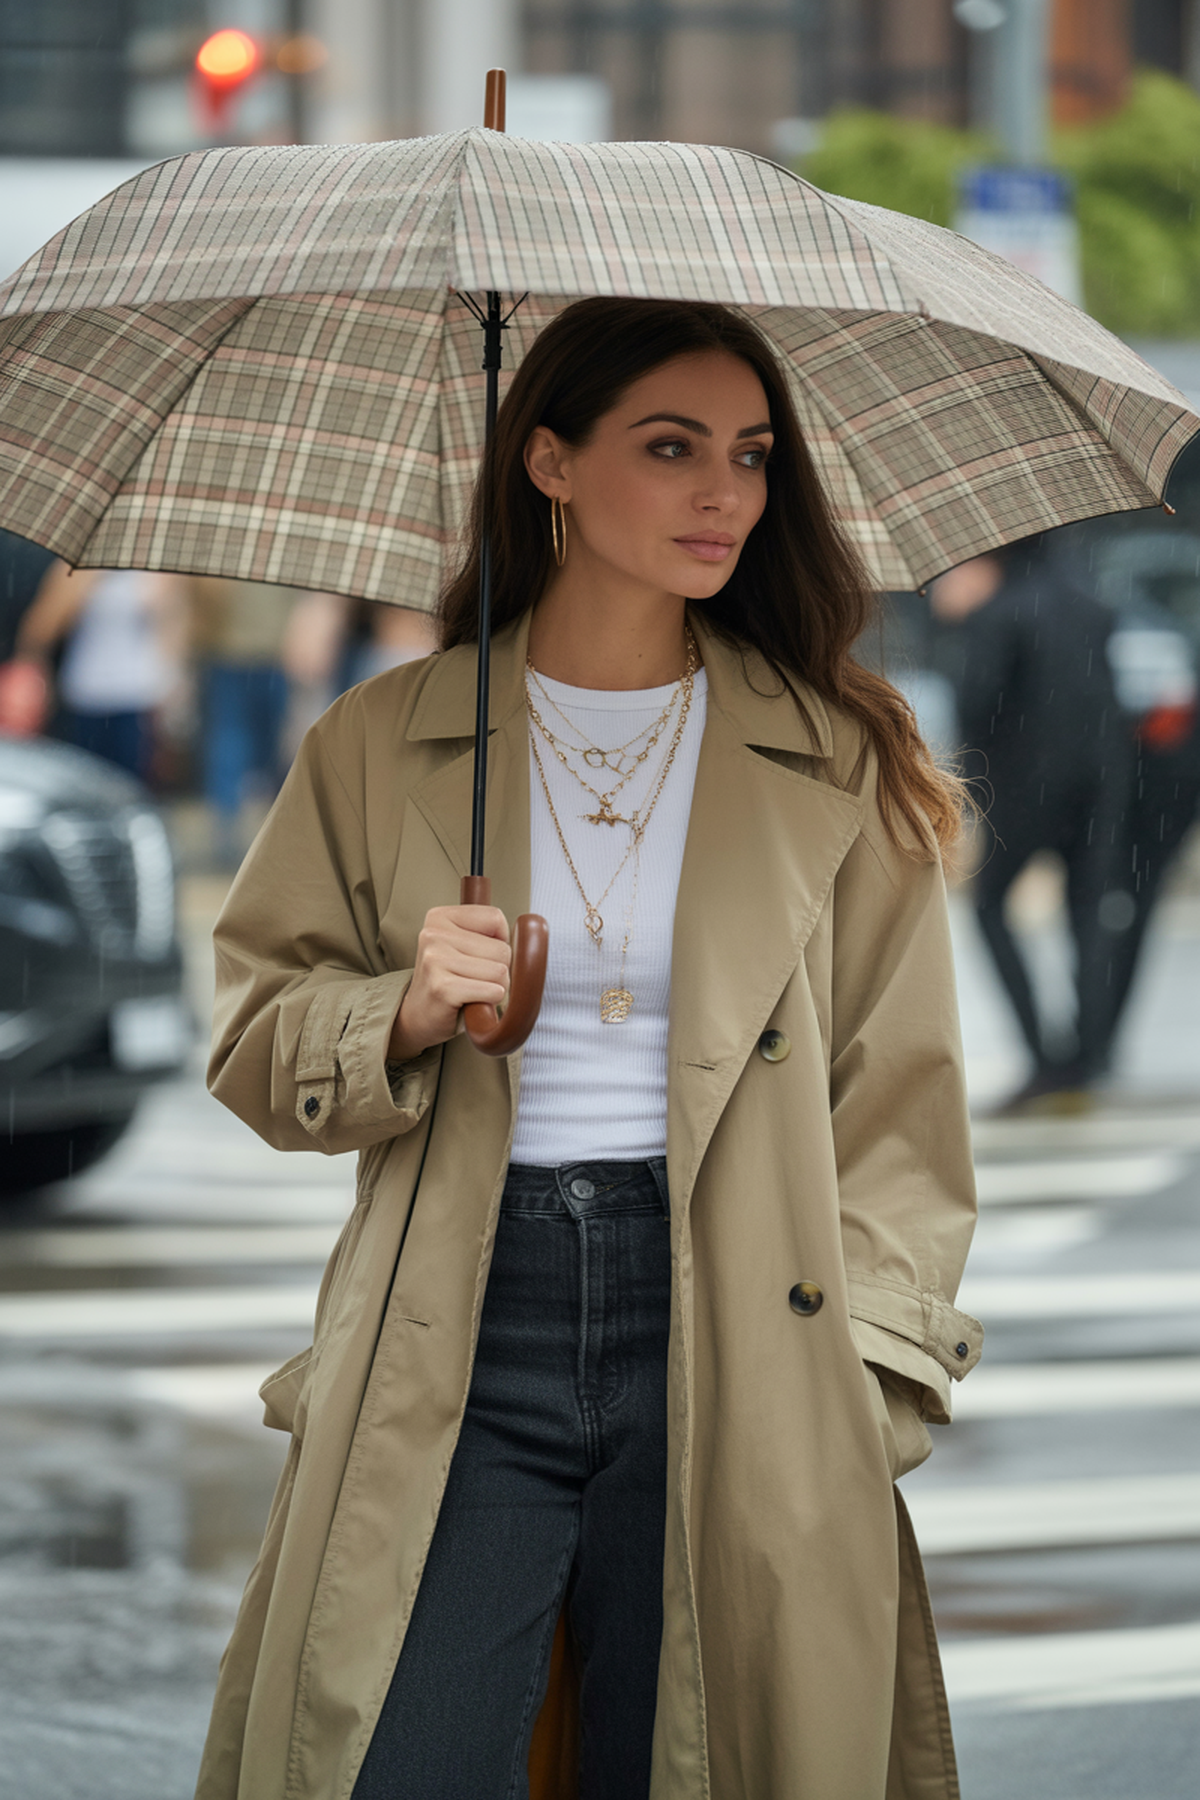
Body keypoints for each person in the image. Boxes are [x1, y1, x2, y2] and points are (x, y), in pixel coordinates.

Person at [196, 299, 982, 1800]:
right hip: (463, 1318)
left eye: (751, 455)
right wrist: (403, 1012)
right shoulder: (384, 742)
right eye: (671, 447)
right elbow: (253, 1040)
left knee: (688, 1760)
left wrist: (867, 1377)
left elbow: (901, 1097)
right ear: (549, 461)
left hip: (745, 1319)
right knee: (393, 1756)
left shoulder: (836, 757)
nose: (725, 495)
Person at [932, 541, 1132, 1112]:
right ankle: (1088, 1056)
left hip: (1022, 790)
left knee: (991, 909)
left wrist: (956, 625)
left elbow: (975, 702)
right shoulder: (1090, 601)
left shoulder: (999, 611)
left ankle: (1045, 1060)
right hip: (1097, 784)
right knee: (1089, 913)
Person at [15, 561, 187, 779]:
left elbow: (173, 632)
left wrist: (170, 681)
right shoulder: (76, 569)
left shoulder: (154, 571)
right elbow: (42, 628)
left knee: (131, 779)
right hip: (86, 691)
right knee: (86, 777)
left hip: (136, 693)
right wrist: (77, 591)